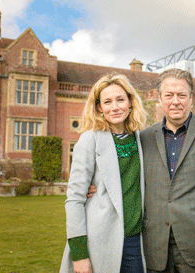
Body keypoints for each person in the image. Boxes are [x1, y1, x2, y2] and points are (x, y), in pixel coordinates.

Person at [89, 68, 195, 272]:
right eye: (169, 95)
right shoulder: (143, 138)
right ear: (159, 99)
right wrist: (92, 186)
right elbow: (124, 178)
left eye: (181, 95)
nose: (175, 101)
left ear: (191, 98)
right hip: (155, 248)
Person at [60, 72, 147, 273]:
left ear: (130, 102)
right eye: (107, 102)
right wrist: (79, 255)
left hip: (135, 241)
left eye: (120, 100)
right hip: (99, 242)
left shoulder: (142, 139)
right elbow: (74, 200)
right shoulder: (90, 139)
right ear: (99, 107)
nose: (115, 107)